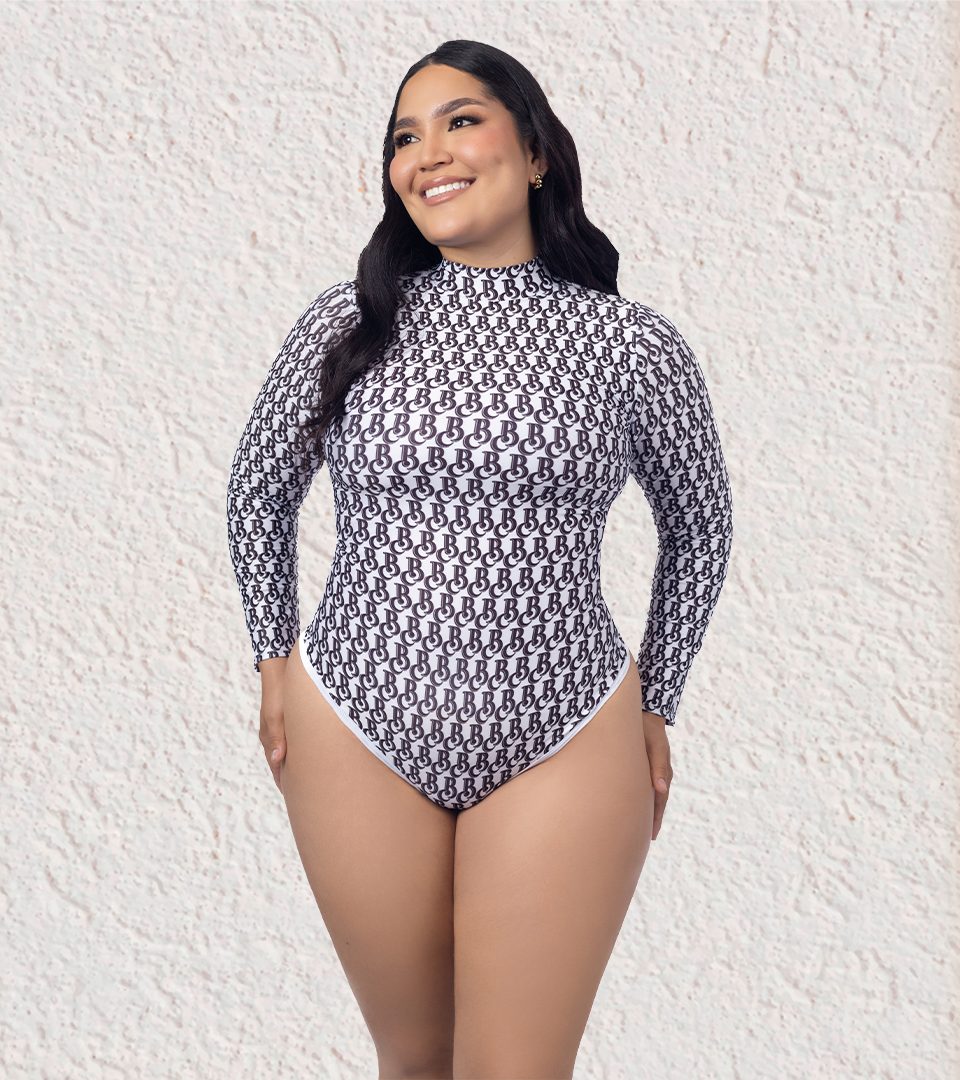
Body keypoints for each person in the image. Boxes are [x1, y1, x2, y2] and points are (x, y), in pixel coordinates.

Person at [227, 38, 732, 1080]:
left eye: (460, 121)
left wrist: (658, 698)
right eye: (403, 138)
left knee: (517, 1070)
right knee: (415, 1060)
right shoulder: (347, 322)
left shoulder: (630, 345)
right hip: (357, 719)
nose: (428, 154)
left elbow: (701, 523)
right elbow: (256, 491)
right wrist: (274, 661)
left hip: (567, 728)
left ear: (535, 151)